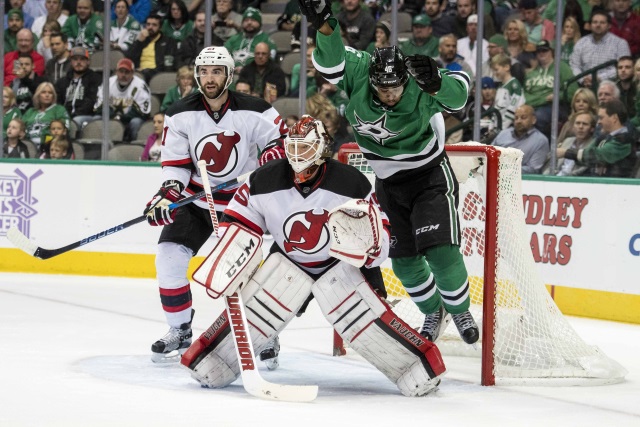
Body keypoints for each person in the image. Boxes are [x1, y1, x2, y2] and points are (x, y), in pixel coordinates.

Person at [181, 114, 445, 396]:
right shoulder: (263, 179)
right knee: (257, 313)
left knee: (366, 325)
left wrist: (369, 248)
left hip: (341, 265)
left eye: (304, 148)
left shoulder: (351, 183)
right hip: (289, 260)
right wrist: (231, 257)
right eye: (292, 148)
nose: (297, 156)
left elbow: (380, 239)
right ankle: (212, 358)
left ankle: (418, 366)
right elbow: (240, 224)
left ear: (321, 150)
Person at [298, 0, 480, 345]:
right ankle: (433, 311)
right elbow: (330, 63)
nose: (390, 94)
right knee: (404, 264)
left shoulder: (419, 81)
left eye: (395, 88)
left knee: (441, 251)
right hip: (387, 184)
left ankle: (460, 311)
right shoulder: (361, 69)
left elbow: (460, 94)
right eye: (383, 89)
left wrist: (439, 81)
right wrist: (324, 24)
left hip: (428, 177)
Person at [142, 46, 288, 363]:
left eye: (216, 71)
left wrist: (273, 155)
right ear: (197, 74)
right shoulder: (180, 113)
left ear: (229, 75)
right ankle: (179, 329)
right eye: (204, 71)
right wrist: (168, 191)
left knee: (246, 273)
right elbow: (176, 164)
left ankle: (266, 335)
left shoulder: (256, 109)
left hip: (242, 204)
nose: (210, 78)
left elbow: (280, 142)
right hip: (196, 201)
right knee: (168, 258)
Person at [557, 99, 637, 178]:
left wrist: (566, 152)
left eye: (601, 118)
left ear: (614, 118)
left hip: (617, 188)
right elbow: (588, 157)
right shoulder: (603, 137)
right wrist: (597, 162)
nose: (598, 122)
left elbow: (597, 155)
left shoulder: (625, 140)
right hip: (599, 186)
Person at [524, 40, 578, 137]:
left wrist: (558, 96)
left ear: (551, 52)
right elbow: (525, 97)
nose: (541, 53)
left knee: (538, 117)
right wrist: (544, 98)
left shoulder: (562, 67)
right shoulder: (531, 73)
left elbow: (572, 91)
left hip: (556, 106)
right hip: (534, 106)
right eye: (539, 51)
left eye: (545, 51)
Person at [94, 58, 152, 142]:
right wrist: (114, 116)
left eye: (127, 72)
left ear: (132, 73)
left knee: (136, 122)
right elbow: (98, 107)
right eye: (121, 71)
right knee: (96, 119)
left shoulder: (140, 86)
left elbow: (143, 113)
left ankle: (133, 146)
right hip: (110, 118)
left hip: (129, 121)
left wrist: (121, 117)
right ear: (116, 72)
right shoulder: (108, 83)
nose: (123, 75)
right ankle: (98, 146)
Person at [570, 10, 631, 88]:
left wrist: (599, 78)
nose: (598, 25)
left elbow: (625, 68)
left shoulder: (620, 43)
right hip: (584, 87)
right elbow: (574, 65)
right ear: (590, 25)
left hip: (611, 87)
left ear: (609, 25)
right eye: (595, 22)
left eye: (602, 22)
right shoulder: (581, 43)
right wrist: (582, 79)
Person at [492, 104, 550, 174]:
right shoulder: (503, 134)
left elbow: (533, 169)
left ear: (533, 120)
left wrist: (505, 169)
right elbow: (489, 154)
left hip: (521, 181)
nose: (518, 121)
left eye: (523, 117)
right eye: (516, 118)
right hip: (493, 175)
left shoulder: (541, 141)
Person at [55, 46, 102, 129]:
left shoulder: (95, 79)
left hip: (86, 116)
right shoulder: (62, 82)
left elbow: (91, 101)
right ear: (71, 62)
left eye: (82, 59)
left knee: (76, 121)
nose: (79, 62)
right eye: (75, 59)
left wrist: (73, 115)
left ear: (88, 62)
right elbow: (58, 102)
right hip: (66, 116)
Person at [127, 14, 180, 82]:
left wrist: (147, 71)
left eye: (154, 25)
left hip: (157, 74)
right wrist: (139, 42)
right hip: (138, 72)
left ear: (160, 27)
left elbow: (168, 65)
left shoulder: (168, 42)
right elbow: (128, 58)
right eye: (148, 24)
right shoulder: (141, 39)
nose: (150, 27)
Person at [224, 7, 277, 73]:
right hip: (232, 75)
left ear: (260, 23)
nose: (249, 23)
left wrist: (247, 70)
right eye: (246, 20)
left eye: (253, 20)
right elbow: (223, 56)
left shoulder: (267, 40)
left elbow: (270, 61)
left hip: (256, 75)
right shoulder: (233, 39)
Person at [546, 111, 596, 176]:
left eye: (585, 124)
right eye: (578, 123)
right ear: (573, 127)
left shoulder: (594, 144)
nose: (580, 127)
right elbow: (552, 163)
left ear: (592, 129)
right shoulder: (567, 140)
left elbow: (582, 170)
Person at [22, 81, 70, 147]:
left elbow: (65, 128)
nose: (47, 95)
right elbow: (20, 127)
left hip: (50, 145)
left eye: (50, 93)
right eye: (43, 92)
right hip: (28, 145)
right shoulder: (30, 111)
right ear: (38, 95)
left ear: (53, 96)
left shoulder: (59, 109)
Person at [491, 53, 525, 130]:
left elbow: (513, 109)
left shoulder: (514, 85)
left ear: (506, 67)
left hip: (507, 128)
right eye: (493, 71)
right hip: (497, 126)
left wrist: (502, 128)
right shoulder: (500, 86)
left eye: (496, 69)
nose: (494, 73)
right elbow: (497, 108)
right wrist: (491, 126)